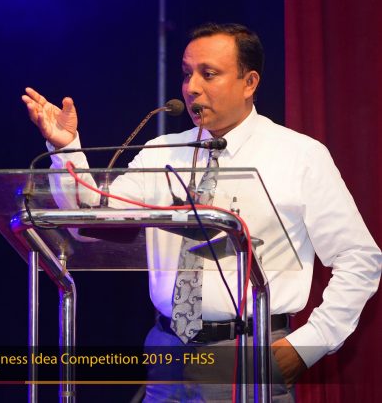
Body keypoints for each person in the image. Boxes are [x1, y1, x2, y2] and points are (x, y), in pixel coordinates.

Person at [22, 23, 381, 401]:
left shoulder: (299, 156)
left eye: (208, 74)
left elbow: (359, 258)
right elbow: (90, 216)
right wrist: (66, 149)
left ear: (249, 82)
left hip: (248, 353)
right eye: (186, 73)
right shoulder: (162, 151)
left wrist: (309, 344)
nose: (191, 87)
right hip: (166, 350)